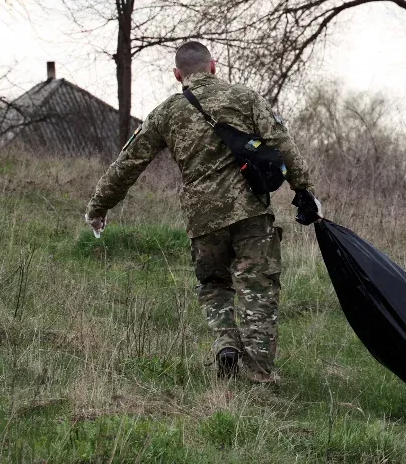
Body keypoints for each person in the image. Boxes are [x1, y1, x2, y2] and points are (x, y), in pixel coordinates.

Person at [83, 41, 319, 384]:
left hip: (203, 219)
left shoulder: (166, 113)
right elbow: (282, 142)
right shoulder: (245, 98)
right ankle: (259, 375)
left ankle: (226, 341)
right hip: (250, 211)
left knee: (214, 284)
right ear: (213, 65)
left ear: (178, 75)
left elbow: (128, 163)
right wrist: (304, 189)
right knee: (258, 290)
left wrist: (98, 206)